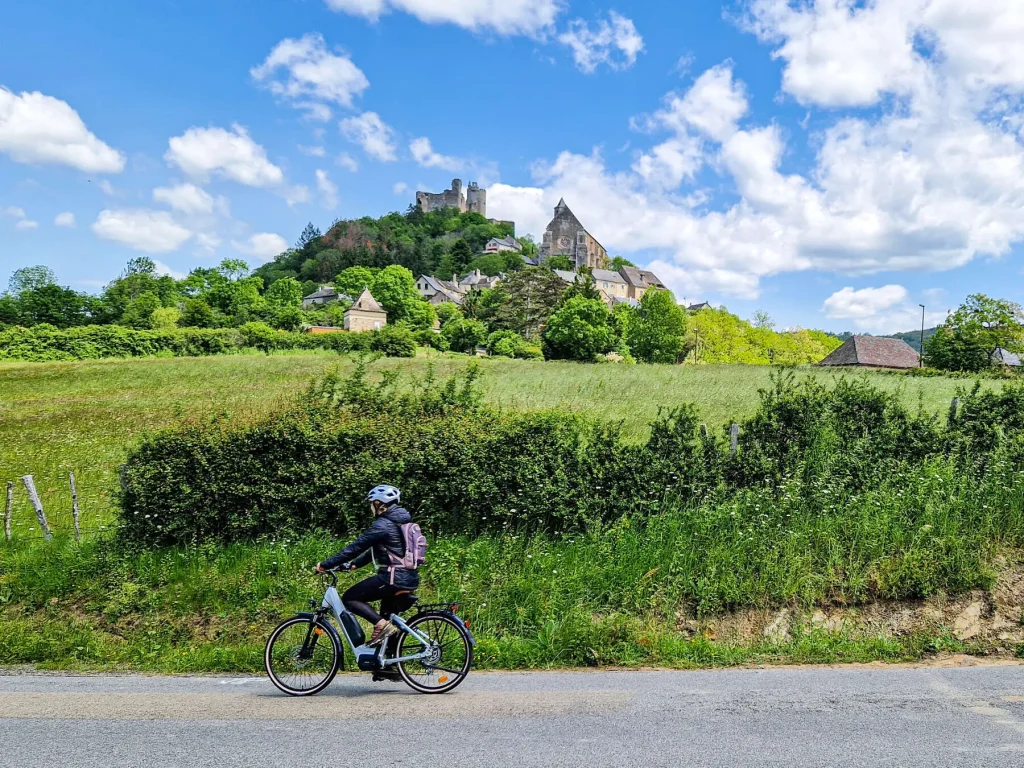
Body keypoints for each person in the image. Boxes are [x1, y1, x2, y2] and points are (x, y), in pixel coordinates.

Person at [316, 484, 420, 647]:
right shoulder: (400, 522)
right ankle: (388, 670)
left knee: (351, 598)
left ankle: (382, 626)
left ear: (380, 504)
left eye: (372, 503)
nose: (371, 507)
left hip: (393, 577)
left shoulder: (383, 524)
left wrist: (325, 564)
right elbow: (379, 550)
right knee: (388, 619)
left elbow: (355, 548)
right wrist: (355, 565)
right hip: (409, 577)